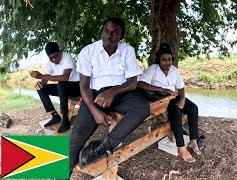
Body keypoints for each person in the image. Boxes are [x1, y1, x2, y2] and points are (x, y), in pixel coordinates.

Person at [69, 17, 150, 175]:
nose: (109, 36)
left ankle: (104, 146)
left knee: (142, 108)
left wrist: (112, 92)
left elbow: (132, 82)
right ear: (101, 31)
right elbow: (84, 85)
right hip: (95, 95)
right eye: (106, 31)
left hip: (121, 92)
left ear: (121, 36)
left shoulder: (127, 50)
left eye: (115, 33)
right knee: (77, 137)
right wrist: (94, 110)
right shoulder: (88, 51)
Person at [137, 43, 201, 163]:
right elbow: (140, 84)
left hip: (173, 96)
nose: (167, 62)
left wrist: (182, 99)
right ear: (159, 60)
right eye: (164, 60)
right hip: (160, 100)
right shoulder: (153, 69)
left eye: (169, 59)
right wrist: (162, 89)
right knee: (175, 113)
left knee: (193, 108)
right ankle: (182, 148)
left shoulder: (174, 70)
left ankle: (193, 140)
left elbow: (180, 87)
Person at [30, 42, 80, 133]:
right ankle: (55, 116)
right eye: (50, 58)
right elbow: (45, 79)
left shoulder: (67, 58)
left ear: (60, 51)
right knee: (41, 89)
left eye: (55, 56)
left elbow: (65, 78)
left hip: (77, 86)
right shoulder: (50, 63)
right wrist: (40, 83)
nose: (54, 59)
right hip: (63, 88)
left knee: (61, 84)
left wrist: (42, 76)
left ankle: (66, 119)